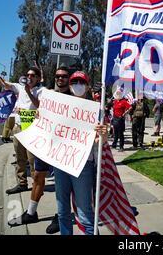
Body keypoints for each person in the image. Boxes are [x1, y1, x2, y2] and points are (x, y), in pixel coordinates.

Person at [8, 66, 72, 234]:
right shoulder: (48, 94)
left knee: (61, 183)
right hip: (45, 142)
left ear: (69, 79)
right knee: (37, 176)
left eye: (64, 76)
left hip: (62, 146)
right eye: (58, 76)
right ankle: (31, 212)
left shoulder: (74, 98)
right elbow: (39, 108)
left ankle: (61, 216)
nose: (60, 79)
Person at [54, 71, 107, 235]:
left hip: (83, 166)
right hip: (61, 163)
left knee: (85, 214)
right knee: (62, 211)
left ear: (87, 86)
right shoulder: (60, 106)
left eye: (81, 82)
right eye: (75, 82)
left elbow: (100, 142)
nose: (78, 85)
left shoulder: (96, 110)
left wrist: (103, 134)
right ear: (70, 86)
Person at [0, 64, 42, 194]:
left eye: (33, 75)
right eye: (28, 75)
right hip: (18, 127)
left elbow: (39, 105)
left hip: (32, 129)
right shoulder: (20, 87)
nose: (29, 77)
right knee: (20, 158)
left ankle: (36, 185)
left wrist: (28, 92)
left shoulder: (41, 91)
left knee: (32, 160)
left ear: (38, 79)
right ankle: (22, 183)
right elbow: (3, 83)